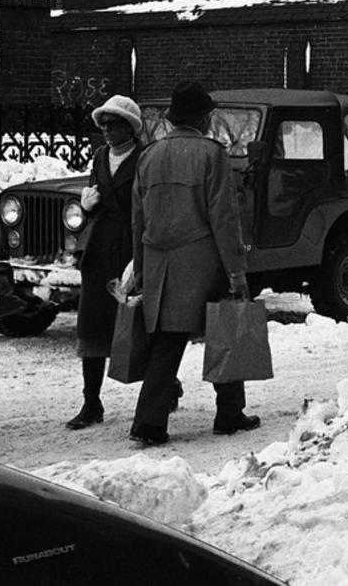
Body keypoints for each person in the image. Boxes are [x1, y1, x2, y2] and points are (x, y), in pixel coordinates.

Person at [128, 81, 259, 446]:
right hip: (203, 261)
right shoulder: (211, 154)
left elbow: (137, 221)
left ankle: (149, 422)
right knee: (225, 328)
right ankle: (229, 413)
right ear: (203, 118)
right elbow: (224, 218)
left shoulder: (148, 156)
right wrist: (236, 271)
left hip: (159, 263)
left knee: (166, 343)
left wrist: (140, 270)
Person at [66, 95, 144, 430]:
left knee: (136, 323)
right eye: (104, 125)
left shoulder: (143, 158)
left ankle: (165, 386)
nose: (107, 131)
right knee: (93, 325)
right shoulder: (100, 156)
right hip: (99, 250)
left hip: (128, 247)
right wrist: (88, 202)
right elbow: (94, 189)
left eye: (114, 124)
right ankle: (91, 402)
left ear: (130, 127)